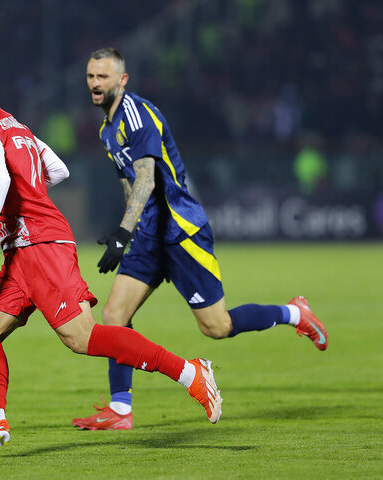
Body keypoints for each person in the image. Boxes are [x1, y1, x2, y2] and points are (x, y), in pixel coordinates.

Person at [0, 53, 223, 460]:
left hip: (40, 247)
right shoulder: (11, 122)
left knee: (82, 338)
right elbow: (57, 170)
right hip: (25, 249)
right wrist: (18, 194)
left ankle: (190, 372)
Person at [72, 48, 328, 431]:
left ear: (122, 80)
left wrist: (123, 232)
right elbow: (130, 184)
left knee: (217, 327)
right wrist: (132, 225)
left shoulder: (136, 116)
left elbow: (147, 177)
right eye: (91, 76)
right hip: (148, 235)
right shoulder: (106, 129)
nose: (95, 84)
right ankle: (121, 409)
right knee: (114, 316)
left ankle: (295, 313)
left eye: (102, 77)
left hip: (180, 232)